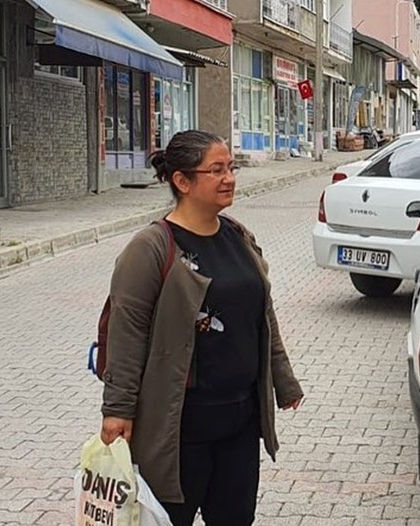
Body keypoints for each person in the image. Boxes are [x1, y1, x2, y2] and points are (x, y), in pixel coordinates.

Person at [99, 130, 304, 526]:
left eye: (230, 167)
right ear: (182, 181)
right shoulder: (152, 248)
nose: (229, 177)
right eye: (216, 170)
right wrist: (118, 410)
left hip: (241, 420)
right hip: (178, 427)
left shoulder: (238, 236)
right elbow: (128, 333)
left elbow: (262, 316)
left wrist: (284, 380)